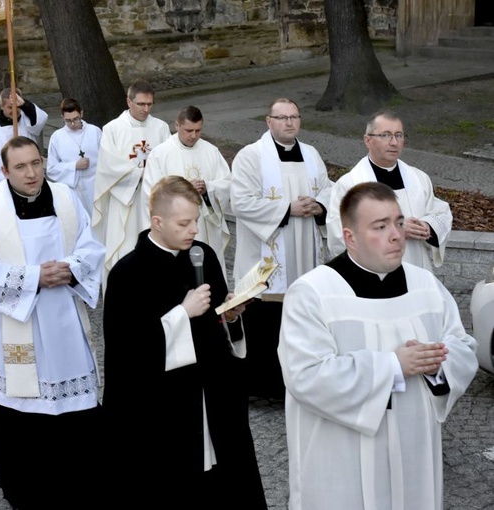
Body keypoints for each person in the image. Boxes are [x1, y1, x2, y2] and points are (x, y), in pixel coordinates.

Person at [278, 181, 478, 510]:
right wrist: (393, 366)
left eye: (399, 222)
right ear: (350, 237)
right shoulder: (313, 293)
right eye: (380, 226)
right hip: (341, 462)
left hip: (414, 451)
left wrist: (437, 365)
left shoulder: (425, 284)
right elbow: (305, 376)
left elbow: (462, 346)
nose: (396, 235)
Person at [101, 175, 268, 509]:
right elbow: (125, 351)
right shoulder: (127, 274)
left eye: (195, 220)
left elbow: (218, 317)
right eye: (184, 223)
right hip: (164, 406)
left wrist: (231, 316)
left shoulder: (202, 255)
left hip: (214, 391)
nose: (193, 230)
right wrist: (181, 314)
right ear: (157, 222)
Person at [0, 136, 104, 509]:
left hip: (65, 328)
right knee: (22, 415)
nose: (31, 173)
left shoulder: (66, 199)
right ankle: (26, 492)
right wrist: (31, 279)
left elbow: (91, 247)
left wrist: (71, 270)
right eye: (21, 167)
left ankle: (81, 484)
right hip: (16, 330)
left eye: (36, 163)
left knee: (73, 413)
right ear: (4, 172)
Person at [230, 97, 332, 399]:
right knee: (265, 320)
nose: (289, 123)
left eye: (294, 117)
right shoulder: (250, 157)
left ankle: (299, 382)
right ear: (268, 121)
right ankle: (264, 387)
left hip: (305, 255)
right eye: (282, 117)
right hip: (266, 257)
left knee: (302, 316)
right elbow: (241, 201)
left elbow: (328, 188)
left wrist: (320, 205)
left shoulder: (312, 155)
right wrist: (287, 210)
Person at [327, 110, 452, 270]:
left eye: (399, 135)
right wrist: (396, 229)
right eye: (385, 135)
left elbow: (440, 212)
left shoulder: (418, 178)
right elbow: (339, 236)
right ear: (368, 140)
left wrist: (427, 226)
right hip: (374, 274)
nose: (394, 142)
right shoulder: (349, 185)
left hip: (416, 269)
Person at [92, 79, 170, 288]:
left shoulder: (161, 127)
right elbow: (108, 167)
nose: (146, 109)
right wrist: (140, 173)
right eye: (141, 104)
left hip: (154, 201)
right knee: (124, 248)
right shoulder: (113, 129)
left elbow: (169, 161)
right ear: (129, 101)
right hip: (125, 201)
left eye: (149, 104)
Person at [143, 105, 232, 275]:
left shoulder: (211, 151)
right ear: (177, 126)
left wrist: (208, 188)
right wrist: (183, 191)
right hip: (175, 228)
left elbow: (226, 183)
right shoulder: (161, 154)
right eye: (188, 130)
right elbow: (151, 193)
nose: (193, 136)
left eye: (198, 130)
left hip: (205, 227)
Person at [46, 98, 102, 216]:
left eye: (76, 119)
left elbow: (106, 159)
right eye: (68, 120)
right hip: (73, 189)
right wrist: (74, 166)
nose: (72, 123)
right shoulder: (57, 137)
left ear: (81, 114)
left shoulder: (94, 132)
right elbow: (51, 169)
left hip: (96, 186)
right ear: (62, 117)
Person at [0, 87, 48, 154]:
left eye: (17, 107)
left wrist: (24, 104)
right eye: (10, 107)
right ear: (1, 106)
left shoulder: (28, 119)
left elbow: (41, 119)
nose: (14, 111)